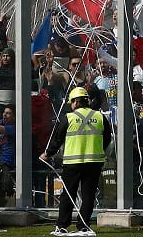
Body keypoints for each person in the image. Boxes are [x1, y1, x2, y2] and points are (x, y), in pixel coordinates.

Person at [41, 87, 112, 237]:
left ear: (74, 102)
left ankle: (62, 226)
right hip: (94, 162)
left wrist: (47, 154)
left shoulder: (69, 118)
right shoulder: (100, 117)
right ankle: (84, 226)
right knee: (88, 195)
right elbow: (107, 139)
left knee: (68, 194)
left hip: (73, 162)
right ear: (87, 101)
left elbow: (57, 139)